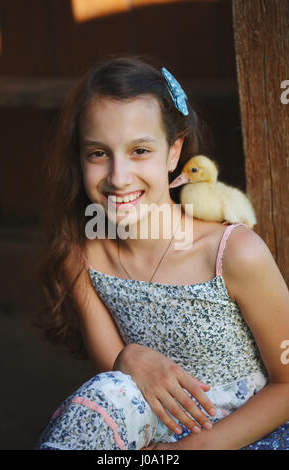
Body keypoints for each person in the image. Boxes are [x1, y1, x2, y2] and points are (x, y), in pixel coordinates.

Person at [35, 55, 289, 450]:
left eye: (139, 151)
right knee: (102, 395)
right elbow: (115, 382)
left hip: (250, 437)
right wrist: (129, 356)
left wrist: (191, 449)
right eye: (98, 153)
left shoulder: (233, 253)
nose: (118, 177)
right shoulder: (82, 255)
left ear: (174, 153)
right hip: (149, 437)